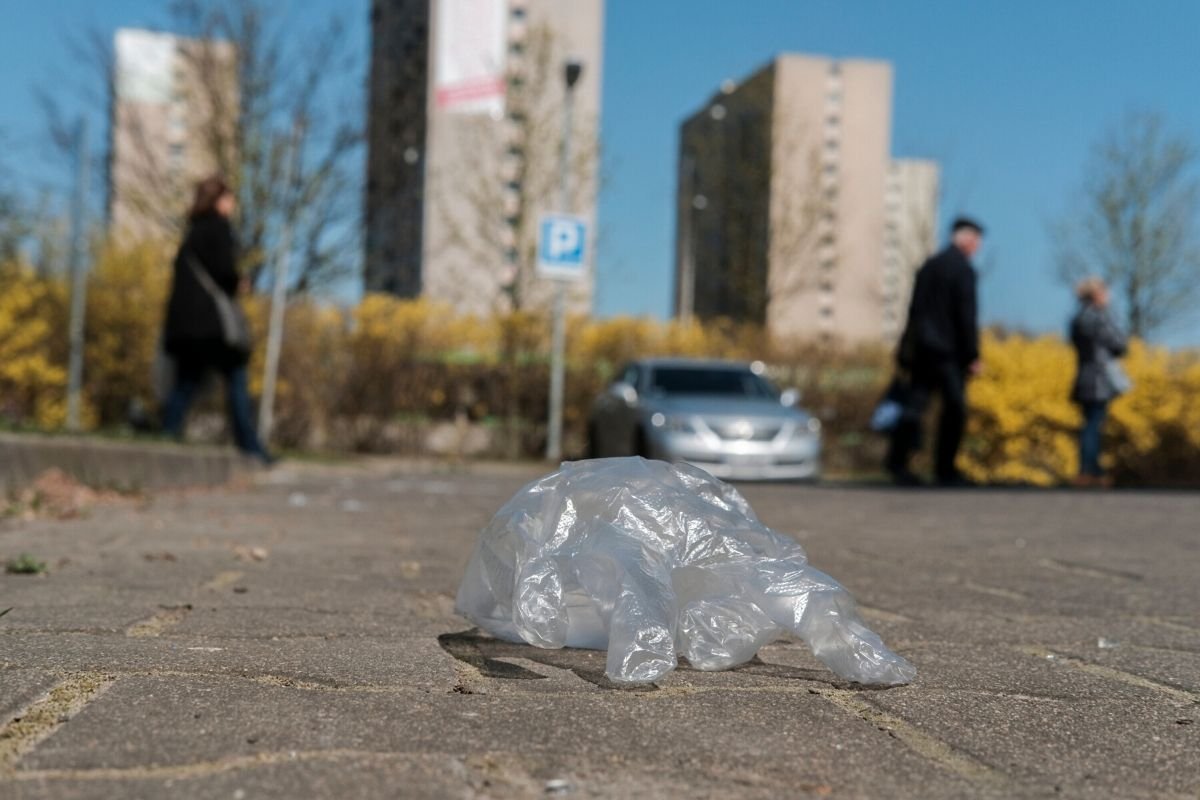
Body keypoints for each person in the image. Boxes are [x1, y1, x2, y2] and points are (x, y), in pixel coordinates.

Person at [161, 176, 272, 464]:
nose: (232, 204)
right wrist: (240, 282)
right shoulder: (219, 228)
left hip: (186, 326)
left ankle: (167, 433)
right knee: (236, 378)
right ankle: (250, 446)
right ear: (218, 200)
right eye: (229, 198)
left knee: (186, 382)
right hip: (212, 325)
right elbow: (224, 271)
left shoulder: (192, 232)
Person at [886, 216, 984, 487]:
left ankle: (898, 463)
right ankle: (945, 469)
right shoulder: (963, 270)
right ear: (967, 240)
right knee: (954, 410)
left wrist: (906, 350)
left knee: (914, 407)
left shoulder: (929, 266)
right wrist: (972, 354)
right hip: (949, 353)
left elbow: (913, 311)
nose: (978, 247)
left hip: (921, 351)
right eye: (977, 241)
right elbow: (966, 315)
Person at [1069, 277, 1127, 487]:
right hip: (1099, 377)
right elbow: (1119, 344)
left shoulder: (1078, 318)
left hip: (1083, 374)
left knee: (1088, 423)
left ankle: (1087, 470)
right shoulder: (1100, 317)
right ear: (1096, 295)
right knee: (1094, 425)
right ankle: (1091, 470)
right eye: (1105, 292)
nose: (1108, 297)